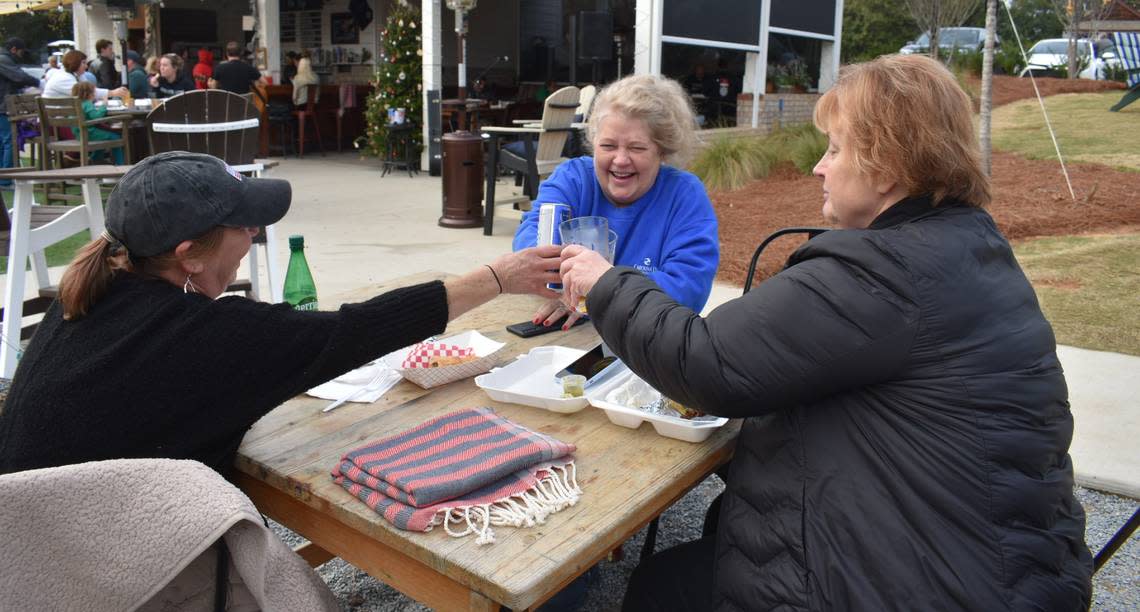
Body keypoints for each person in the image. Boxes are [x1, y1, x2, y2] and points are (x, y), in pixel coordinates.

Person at [559, 54, 1093, 610]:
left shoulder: (883, 272)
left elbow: (705, 361)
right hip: (1015, 561)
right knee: (726, 518)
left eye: (835, 149)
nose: (819, 167)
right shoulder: (965, 243)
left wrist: (607, 282)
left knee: (661, 588)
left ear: (886, 166)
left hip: (944, 584)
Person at [0, 151, 561, 477]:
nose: (255, 234)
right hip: (104, 570)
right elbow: (354, 331)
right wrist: (496, 279)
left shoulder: (82, 297)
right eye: (243, 226)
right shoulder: (206, 335)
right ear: (187, 255)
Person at [512, 73, 719, 328]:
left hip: (648, 340)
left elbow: (688, 290)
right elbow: (531, 243)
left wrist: (601, 287)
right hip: (570, 337)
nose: (620, 160)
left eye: (636, 148)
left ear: (662, 151)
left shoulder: (684, 195)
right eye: (608, 146)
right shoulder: (573, 179)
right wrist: (569, 287)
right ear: (593, 144)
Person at [0, 37, 40, 181]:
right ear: (14, 50)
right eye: (21, 52)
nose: (22, 56)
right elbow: (18, 77)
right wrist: (38, 82)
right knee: (9, 141)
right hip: (3, 107)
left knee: (3, 142)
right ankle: (6, 179)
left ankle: (3, 178)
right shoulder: (3, 60)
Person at [71, 81, 125, 165]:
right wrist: (104, 105)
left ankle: (96, 159)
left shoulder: (76, 104)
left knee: (101, 136)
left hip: (78, 134)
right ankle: (120, 163)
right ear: (89, 94)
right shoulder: (87, 104)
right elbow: (96, 116)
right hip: (89, 133)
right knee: (115, 137)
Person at [43, 50, 128, 100]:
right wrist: (113, 93)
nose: (86, 66)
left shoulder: (76, 75)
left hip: (67, 120)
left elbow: (91, 89)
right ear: (75, 63)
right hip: (58, 124)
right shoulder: (63, 78)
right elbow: (88, 93)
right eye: (83, 63)